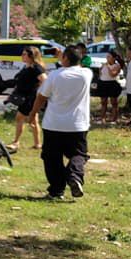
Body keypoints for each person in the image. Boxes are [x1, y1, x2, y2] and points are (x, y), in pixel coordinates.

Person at [35, 45, 92, 199]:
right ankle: (74, 176)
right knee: (78, 155)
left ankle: (56, 190)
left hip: (53, 124)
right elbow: (75, 66)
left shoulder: (54, 75)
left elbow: (42, 96)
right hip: (77, 124)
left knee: (52, 158)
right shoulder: (86, 74)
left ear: (65, 58)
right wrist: (65, 57)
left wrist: (33, 113)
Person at [6, 45, 47, 152]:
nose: (22, 56)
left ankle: (16, 142)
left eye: (24, 54)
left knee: (20, 118)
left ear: (31, 56)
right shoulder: (28, 66)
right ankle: (38, 144)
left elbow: (45, 80)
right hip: (25, 97)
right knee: (33, 121)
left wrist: (40, 93)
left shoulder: (36, 67)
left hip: (30, 98)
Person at [96, 50, 123, 124]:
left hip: (112, 84)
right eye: (107, 56)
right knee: (103, 102)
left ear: (114, 58)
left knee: (114, 102)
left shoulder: (117, 65)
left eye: (109, 57)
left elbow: (112, 74)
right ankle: (102, 118)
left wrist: (108, 66)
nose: (107, 58)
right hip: (103, 83)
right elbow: (100, 73)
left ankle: (114, 118)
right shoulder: (104, 64)